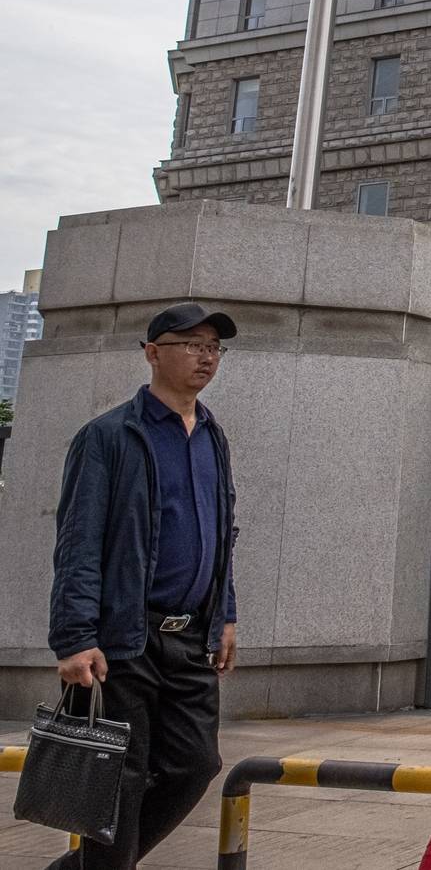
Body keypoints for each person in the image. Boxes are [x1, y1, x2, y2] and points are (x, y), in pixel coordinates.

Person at [46, 303, 242, 870]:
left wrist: (224, 612)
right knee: (120, 779)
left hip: (192, 639)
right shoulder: (108, 436)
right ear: (153, 352)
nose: (205, 356)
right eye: (191, 344)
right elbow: (79, 541)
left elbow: (221, 534)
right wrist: (74, 637)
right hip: (124, 637)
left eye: (214, 346)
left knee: (195, 763)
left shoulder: (212, 434)